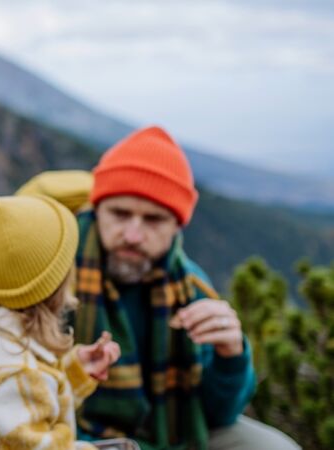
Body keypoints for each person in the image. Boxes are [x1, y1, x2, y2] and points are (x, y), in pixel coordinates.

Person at [17, 126, 300, 449]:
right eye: (120, 214)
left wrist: (231, 354)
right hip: (65, 431)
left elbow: (219, 415)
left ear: (177, 226)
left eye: (153, 220)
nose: (133, 234)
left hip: (167, 432)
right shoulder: (51, 271)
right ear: (97, 210)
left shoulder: (189, 286)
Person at [0, 195, 121, 450]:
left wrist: (73, 374)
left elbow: (13, 405)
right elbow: (31, 442)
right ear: (53, 287)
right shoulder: (15, 373)